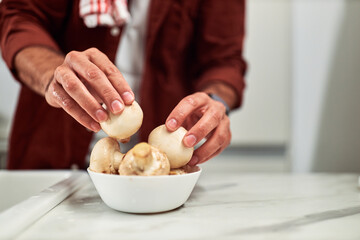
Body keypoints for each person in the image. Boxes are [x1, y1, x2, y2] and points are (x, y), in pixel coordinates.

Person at [0, 0, 246, 169]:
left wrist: (217, 101)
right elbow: (20, 17)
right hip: (52, 155)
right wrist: (51, 75)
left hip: (160, 172)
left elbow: (224, 61)